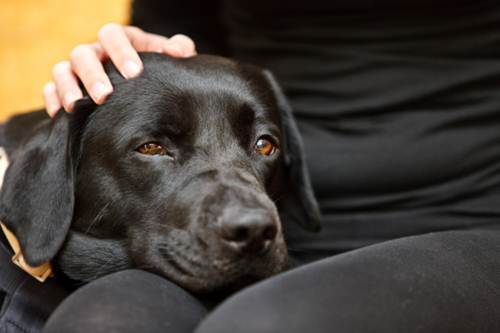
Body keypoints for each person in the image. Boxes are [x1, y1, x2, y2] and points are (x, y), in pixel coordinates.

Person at [42, 1, 500, 332]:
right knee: (104, 321)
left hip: (467, 217)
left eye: (264, 144)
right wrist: (128, 63)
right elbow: (177, 32)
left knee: (259, 325)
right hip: (275, 226)